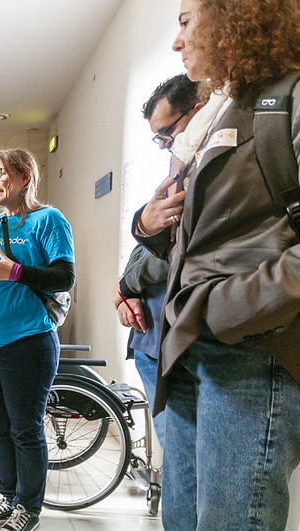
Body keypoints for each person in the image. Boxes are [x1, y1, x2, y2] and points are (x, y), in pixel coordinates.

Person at [133, 0, 300, 528]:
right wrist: (146, 225)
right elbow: (197, 236)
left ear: (235, 16)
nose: (177, 40)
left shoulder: (296, 97)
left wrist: (221, 307)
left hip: (252, 354)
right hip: (191, 353)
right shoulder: (228, 111)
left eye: (186, 21)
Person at [0, 148, 74, 531]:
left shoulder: (49, 220)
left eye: (0, 173)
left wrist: (18, 271)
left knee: (25, 428)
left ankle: (29, 507)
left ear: (25, 177)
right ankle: (8, 497)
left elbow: (63, 277)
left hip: (27, 340)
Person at [110, 74, 201, 448]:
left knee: (186, 462)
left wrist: (125, 287)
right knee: (178, 457)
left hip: (183, 336)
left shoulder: (210, 167)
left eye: (167, 132)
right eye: (158, 138)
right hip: (151, 335)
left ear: (198, 111)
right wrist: (126, 288)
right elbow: (149, 246)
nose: (165, 146)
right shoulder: (178, 170)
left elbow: (179, 250)